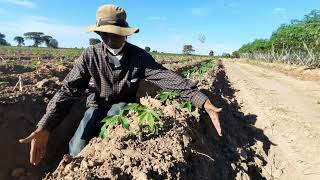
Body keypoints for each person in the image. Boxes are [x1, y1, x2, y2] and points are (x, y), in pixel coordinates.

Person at [19, 4, 222, 166]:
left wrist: (200, 100)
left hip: (123, 105)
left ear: (125, 32)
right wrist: (45, 126)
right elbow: (68, 90)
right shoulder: (90, 55)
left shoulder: (139, 56)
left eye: (114, 33)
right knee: (77, 147)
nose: (109, 38)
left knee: (115, 125)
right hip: (96, 104)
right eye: (104, 34)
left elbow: (164, 76)